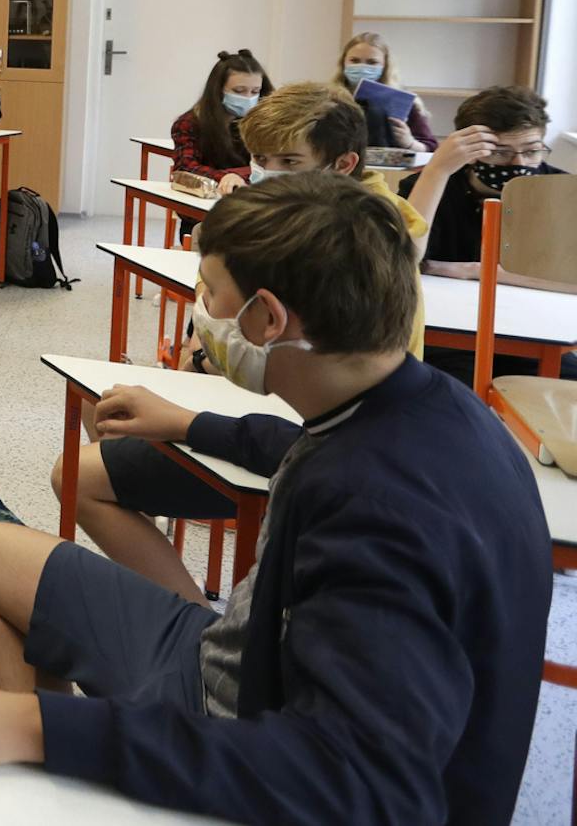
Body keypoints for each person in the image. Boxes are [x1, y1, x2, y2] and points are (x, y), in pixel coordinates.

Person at [0, 172, 550, 825]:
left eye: (209, 293)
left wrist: (39, 729)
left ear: (267, 318)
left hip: (252, 736)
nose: (200, 312)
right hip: (238, 663)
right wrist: (189, 422)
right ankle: (38, 791)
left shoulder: (380, 511)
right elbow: (301, 449)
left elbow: (357, 783)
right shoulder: (423, 411)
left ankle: (43, 775)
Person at [53, 82, 432, 604]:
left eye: (287, 160)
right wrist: (198, 358)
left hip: (281, 436)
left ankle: (188, 622)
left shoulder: (344, 250)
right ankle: (163, 538)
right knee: (105, 410)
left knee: (81, 472)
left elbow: (314, 434)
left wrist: (186, 420)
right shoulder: (311, 225)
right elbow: (219, 317)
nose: (268, 171)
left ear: (341, 166)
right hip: (267, 414)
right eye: (260, 159)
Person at [398, 85, 574, 379]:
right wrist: (436, 170)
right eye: (501, 153)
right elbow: (402, 259)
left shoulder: (562, 191)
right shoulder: (434, 187)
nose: (519, 164)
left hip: (535, 334)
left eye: (532, 151)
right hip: (451, 335)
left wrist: (479, 270)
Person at [166, 49, 270, 196]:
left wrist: (236, 175)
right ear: (218, 90)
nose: (248, 98)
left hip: (250, 199)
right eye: (239, 91)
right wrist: (226, 177)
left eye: (255, 91)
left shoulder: (262, 122)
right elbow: (185, 168)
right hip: (207, 199)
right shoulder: (189, 123)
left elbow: (270, 164)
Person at [333, 30, 438, 150]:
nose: (362, 67)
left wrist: (410, 142)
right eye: (355, 61)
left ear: (385, 66)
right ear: (343, 62)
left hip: (387, 167)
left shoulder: (402, 101)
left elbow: (431, 147)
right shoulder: (328, 98)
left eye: (372, 62)